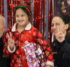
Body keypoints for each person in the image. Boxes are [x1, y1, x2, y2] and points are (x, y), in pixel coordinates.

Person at [3, 1, 54, 67]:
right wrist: (11, 47)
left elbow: (46, 48)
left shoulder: (34, 31)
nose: (20, 18)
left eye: (22, 15)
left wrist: (49, 64)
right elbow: (5, 53)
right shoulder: (10, 32)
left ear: (28, 16)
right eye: (17, 16)